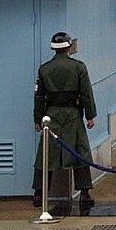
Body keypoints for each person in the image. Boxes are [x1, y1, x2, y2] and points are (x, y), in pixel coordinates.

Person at [33, 32, 96, 215]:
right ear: (69, 47)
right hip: (72, 115)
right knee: (80, 151)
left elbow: (39, 97)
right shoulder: (78, 67)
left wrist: (38, 119)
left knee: (46, 154)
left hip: (51, 114)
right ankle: (84, 193)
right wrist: (90, 115)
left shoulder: (44, 69)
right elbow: (86, 94)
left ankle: (38, 193)